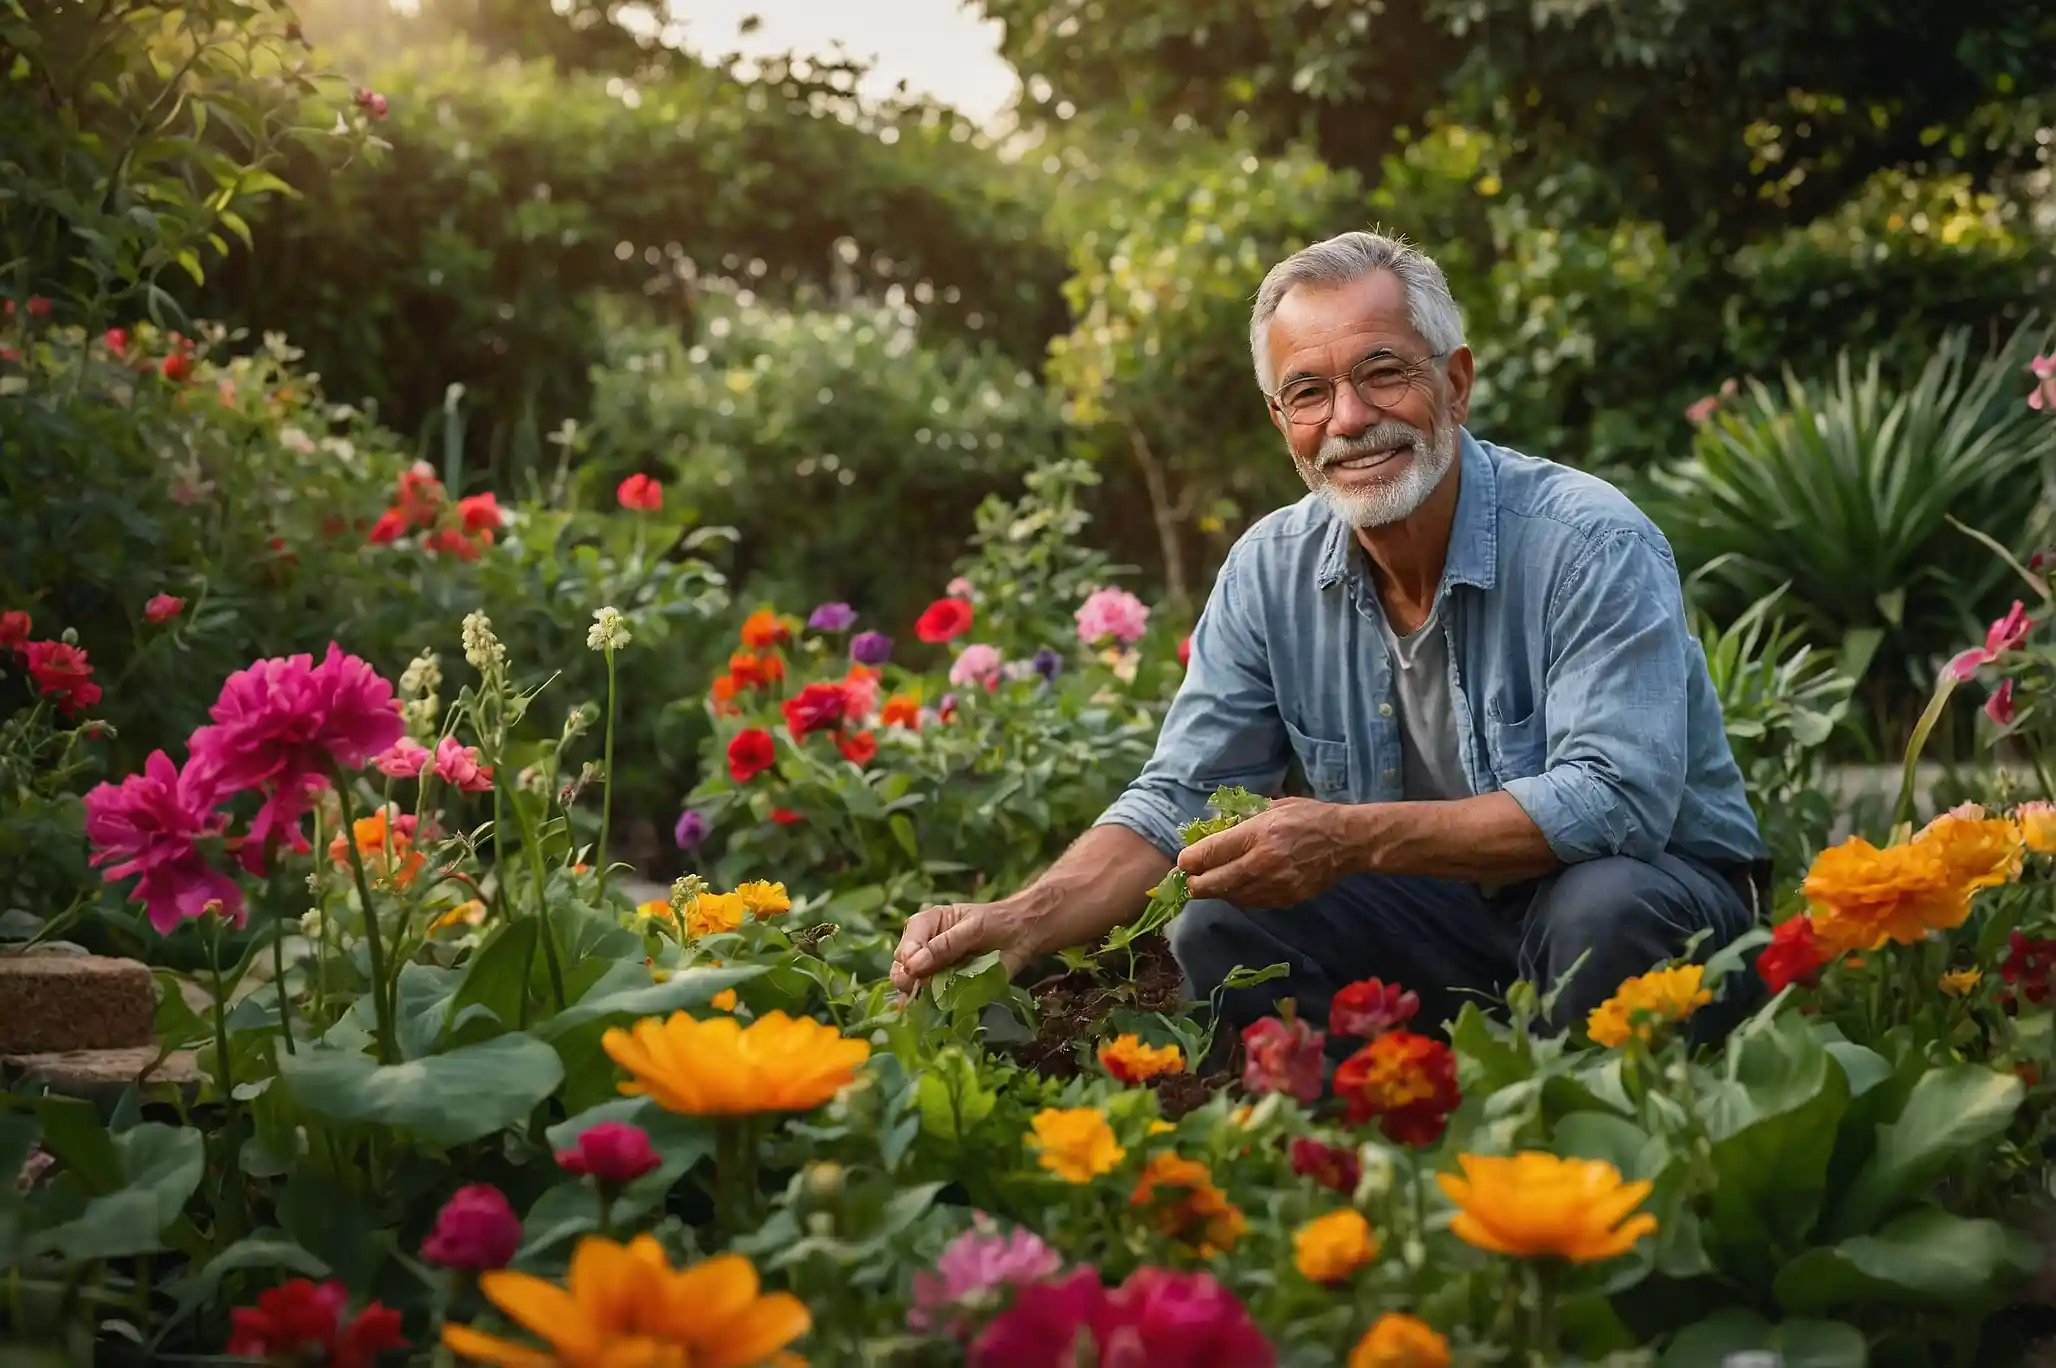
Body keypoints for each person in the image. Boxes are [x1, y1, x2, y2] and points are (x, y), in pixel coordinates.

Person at [890, 230, 1766, 1041]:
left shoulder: (1587, 541)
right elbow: (1178, 802)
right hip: (1446, 918)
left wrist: (1350, 837)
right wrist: (1021, 919)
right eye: (1308, 391)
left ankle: (1594, 1148)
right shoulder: (1268, 568)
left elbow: (1616, 802)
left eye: (1383, 373)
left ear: (1454, 384)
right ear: (1282, 422)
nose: (1348, 419)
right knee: (1224, 918)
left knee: (1600, 910)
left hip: (1653, 903)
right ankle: (1361, 1151)